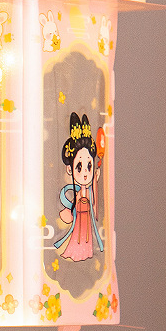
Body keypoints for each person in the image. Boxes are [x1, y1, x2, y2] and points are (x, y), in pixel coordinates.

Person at [54, 112, 103, 262]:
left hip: (86, 221)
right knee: (77, 237)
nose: (85, 173)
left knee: (86, 239)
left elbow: (95, 206)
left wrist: (95, 179)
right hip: (79, 219)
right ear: (70, 169)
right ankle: (77, 252)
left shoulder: (89, 189)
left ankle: (85, 252)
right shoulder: (76, 192)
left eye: (89, 166)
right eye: (79, 167)